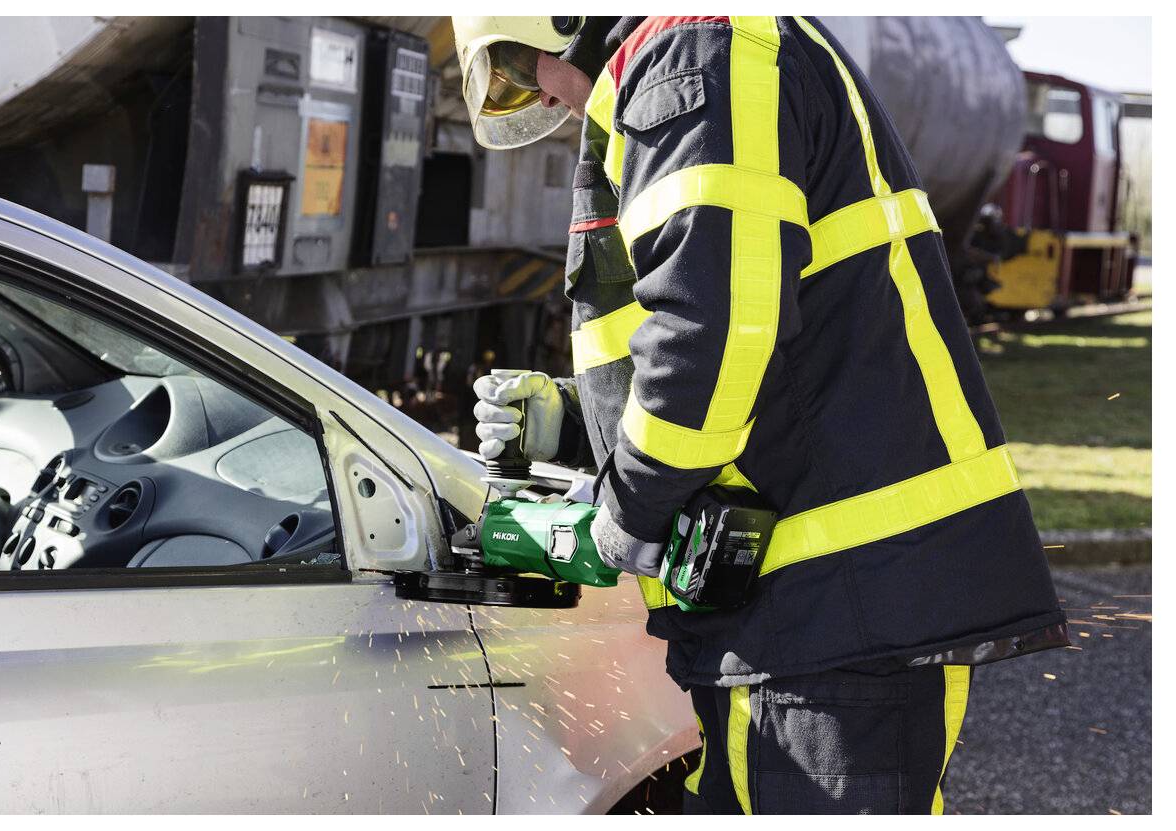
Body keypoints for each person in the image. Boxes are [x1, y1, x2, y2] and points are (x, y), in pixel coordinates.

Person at [453, 16, 1069, 814]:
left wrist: (632, 508)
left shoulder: (694, 55)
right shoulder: (698, 62)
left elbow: (716, 327)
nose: (535, 94)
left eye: (510, 63)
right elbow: (756, 343)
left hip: (838, 609)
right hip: (802, 611)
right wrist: (573, 422)